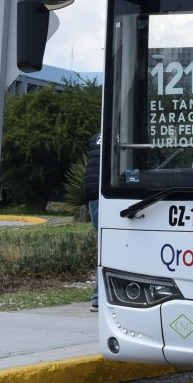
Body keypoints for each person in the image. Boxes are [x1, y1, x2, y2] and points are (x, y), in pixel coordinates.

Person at [83, 132, 101, 312]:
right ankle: (99, 296)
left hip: (92, 195)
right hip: (108, 196)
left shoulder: (96, 137)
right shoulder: (125, 133)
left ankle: (97, 298)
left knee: (103, 246)